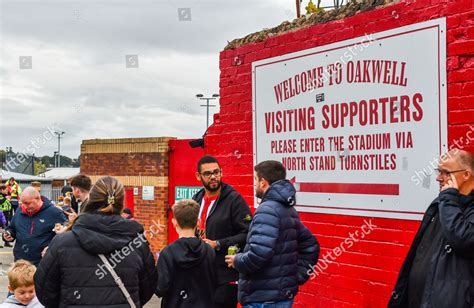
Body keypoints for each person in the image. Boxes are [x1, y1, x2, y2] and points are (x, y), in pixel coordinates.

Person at [34, 176, 157, 307]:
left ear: (92, 199)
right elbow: (147, 289)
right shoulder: (138, 244)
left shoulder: (62, 243)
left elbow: (45, 290)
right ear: (121, 203)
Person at [225, 160, 319, 307]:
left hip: (262, 300)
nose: (255, 184)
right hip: (281, 297)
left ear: (263, 182)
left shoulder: (267, 210)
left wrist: (237, 260)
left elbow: (259, 254)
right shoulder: (287, 209)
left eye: (256, 179)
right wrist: (296, 277)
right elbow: (311, 245)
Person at [389, 149, 474, 308]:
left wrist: (449, 199)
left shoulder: (449, 202)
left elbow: (464, 240)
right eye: (438, 171)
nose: (438, 178)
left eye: (445, 172)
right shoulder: (440, 203)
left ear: (466, 175)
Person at [192, 155, 252, 308]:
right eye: (207, 173)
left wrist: (218, 244)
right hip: (202, 272)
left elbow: (247, 233)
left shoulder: (234, 199)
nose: (213, 177)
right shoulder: (197, 199)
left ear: (221, 173)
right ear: (198, 176)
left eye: (216, 172)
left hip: (226, 275)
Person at [155, 199, 216, 308]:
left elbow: (160, 289)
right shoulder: (209, 251)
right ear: (199, 222)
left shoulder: (167, 253)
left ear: (174, 222)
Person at [2, 187, 67, 265]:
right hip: (20, 263)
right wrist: (8, 234)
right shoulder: (19, 210)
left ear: (38, 198)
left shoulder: (54, 212)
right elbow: (12, 228)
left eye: (27, 203)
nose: (24, 206)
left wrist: (51, 247)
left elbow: (66, 235)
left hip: (43, 264)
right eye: (22, 203)